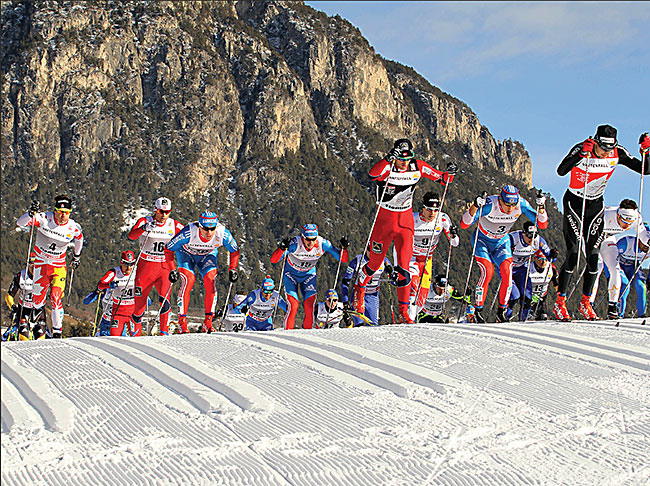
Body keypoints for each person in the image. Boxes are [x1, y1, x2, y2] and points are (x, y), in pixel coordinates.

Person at [352, 139, 457, 324]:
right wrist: (387, 159)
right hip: (384, 223)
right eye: (401, 159)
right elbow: (372, 174)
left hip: (405, 223)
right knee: (375, 264)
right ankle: (360, 290)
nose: (404, 162)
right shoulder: (388, 167)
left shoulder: (418, 167)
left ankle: (404, 312)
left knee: (404, 268)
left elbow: (443, 179)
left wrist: (450, 172)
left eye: (408, 159)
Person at [553, 126, 650, 321]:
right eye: (603, 148)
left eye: (610, 148)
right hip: (575, 203)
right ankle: (560, 303)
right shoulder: (583, 148)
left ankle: (585, 303)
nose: (606, 152)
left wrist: (646, 152)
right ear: (595, 141)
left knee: (593, 258)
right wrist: (580, 154)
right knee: (573, 256)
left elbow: (645, 170)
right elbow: (561, 171)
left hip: (596, 205)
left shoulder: (618, 152)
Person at [461, 185, 548, 323]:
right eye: (507, 204)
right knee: (487, 272)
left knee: (507, 273)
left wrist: (541, 207)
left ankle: (501, 311)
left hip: (501, 242)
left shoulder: (521, 204)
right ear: (500, 199)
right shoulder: (491, 204)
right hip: (482, 241)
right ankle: (477, 311)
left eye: (513, 205)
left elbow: (542, 224)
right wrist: (475, 206)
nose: (510, 209)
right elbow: (465, 224)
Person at [16, 195, 83, 338]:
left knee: (55, 297)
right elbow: (20, 223)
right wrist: (29, 214)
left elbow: (79, 239)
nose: (62, 215)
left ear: (70, 212)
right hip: (41, 266)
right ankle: (36, 328)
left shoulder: (73, 227)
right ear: (54, 210)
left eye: (66, 213)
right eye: (59, 212)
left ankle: (57, 332)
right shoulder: (44, 219)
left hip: (58, 267)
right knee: (37, 301)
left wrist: (76, 256)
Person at [167, 211, 239, 333]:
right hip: (186, 254)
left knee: (211, 280)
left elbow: (235, 250)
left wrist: (233, 268)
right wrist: (172, 269)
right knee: (189, 280)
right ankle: (182, 323)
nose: (209, 232)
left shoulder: (223, 233)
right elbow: (168, 249)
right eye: (205, 229)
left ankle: (208, 322)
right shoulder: (189, 232)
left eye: (212, 229)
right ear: (199, 226)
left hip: (207, 255)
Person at [271, 224, 348, 330]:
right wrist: (282, 248)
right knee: (293, 305)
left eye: (313, 239)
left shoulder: (322, 244)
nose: (311, 243)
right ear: (302, 237)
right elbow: (274, 260)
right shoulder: (295, 244)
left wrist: (344, 248)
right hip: (291, 276)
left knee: (309, 305)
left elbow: (342, 259)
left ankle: (307, 333)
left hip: (308, 276)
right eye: (308, 239)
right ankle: (288, 333)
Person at [127, 197, 184, 336]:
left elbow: (187, 240)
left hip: (164, 267)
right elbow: (132, 236)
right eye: (160, 211)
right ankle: (135, 334)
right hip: (146, 266)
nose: (164, 215)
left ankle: (164, 332)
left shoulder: (174, 225)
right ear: (155, 210)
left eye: (167, 212)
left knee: (165, 300)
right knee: (140, 305)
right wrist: (143, 229)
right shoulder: (145, 221)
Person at [589, 199, 644, 318]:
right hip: (592, 238)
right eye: (624, 221)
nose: (627, 225)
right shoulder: (607, 215)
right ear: (618, 215)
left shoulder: (636, 217)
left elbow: (643, 234)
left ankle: (613, 307)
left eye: (631, 222)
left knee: (615, 269)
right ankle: (589, 304)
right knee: (597, 268)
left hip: (608, 238)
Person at [408, 191, 459, 319]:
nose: (432, 213)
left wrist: (453, 234)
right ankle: (408, 320)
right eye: (429, 210)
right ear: (423, 208)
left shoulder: (442, 219)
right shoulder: (412, 219)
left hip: (426, 260)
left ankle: (410, 317)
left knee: (422, 298)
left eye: (435, 210)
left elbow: (455, 243)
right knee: (413, 288)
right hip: (411, 258)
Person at [508, 222, 556, 320]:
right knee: (514, 296)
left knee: (527, 297)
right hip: (507, 268)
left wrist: (552, 255)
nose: (531, 239)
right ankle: (504, 317)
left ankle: (523, 320)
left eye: (534, 236)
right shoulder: (513, 238)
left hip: (521, 269)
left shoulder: (538, 240)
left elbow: (549, 256)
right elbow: (497, 252)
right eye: (529, 236)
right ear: (523, 233)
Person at [341, 251, 394, 326]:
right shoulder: (357, 261)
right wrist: (345, 302)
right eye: (370, 250)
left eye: (374, 250)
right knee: (359, 325)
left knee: (373, 325)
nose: (372, 253)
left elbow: (394, 281)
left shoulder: (384, 260)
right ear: (366, 250)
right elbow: (345, 282)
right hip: (357, 295)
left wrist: (392, 273)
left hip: (372, 296)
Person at [607, 225, 649, 318]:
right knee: (625, 284)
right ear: (639, 239)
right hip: (619, 265)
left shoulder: (648, 250)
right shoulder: (625, 242)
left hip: (633, 267)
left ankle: (642, 315)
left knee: (641, 286)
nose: (647, 248)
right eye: (645, 245)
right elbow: (608, 257)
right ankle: (618, 313)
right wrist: (609, 276)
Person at [93, 251, 138, 336]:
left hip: (132, 312)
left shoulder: (137, 271)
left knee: (136, 336)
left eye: (131, 264)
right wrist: (109, 285)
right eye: (126, 264)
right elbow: (100, 284)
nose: (129, 268)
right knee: (115, 338)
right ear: (121, 262)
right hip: (118, 312)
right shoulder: (114, 272)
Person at [2, 253, 46, 341]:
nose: (33, 268)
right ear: (27, 265)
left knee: (40, 340)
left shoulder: (44, 276)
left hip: (39, 311)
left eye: (36, 266)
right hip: (24, 310)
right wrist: (13, 307)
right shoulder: (20, 276)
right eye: (31, 266)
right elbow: (9, 295)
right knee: (24, 339)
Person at [508, 250, 559, 321]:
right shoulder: (528, 268)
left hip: (541, 298)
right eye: (541, 259)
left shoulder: (551, 268)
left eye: (545, 260)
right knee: (526, 314)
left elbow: (556, 284)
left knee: (542, 318)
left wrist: (560, 297)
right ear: (535, 259)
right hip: (528, 297)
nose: (543, 262)